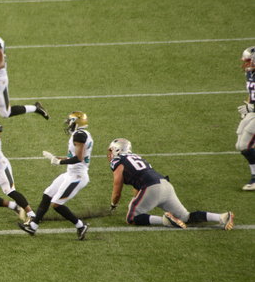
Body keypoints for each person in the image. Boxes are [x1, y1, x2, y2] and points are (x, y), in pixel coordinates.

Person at [106, 138, 234, 229]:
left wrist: (113, 205)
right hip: (165, 185)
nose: (110, 153)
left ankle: (165, 220)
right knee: (185, 217)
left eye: (111, 150)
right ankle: (221, 217)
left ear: (117, 150)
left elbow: (117, 188)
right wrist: (136, 200)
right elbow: (138, 183)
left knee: (132, 218)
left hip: (152, 188)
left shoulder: (118, 161)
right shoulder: (136, 157)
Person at [18, 111, 92, 240]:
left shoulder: (79, 135)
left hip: (77, 176)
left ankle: (81, 225)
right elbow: (74, 156)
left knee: (56, 204)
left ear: (76, 122)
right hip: (71, 173)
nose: (68, 124)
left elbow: (79, 158)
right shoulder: (82, 134)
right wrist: (58, 158)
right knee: (47, 195)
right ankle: (33, 226)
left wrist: (59, 162)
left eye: (70, 121)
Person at [236, 46, 255, 190]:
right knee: (239, 145)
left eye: (248, 61)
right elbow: (251, 94)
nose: (246, 64)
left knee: (245, 145)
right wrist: (248, 106)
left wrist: (252, 109)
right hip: (253, 111)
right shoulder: (250, 73)